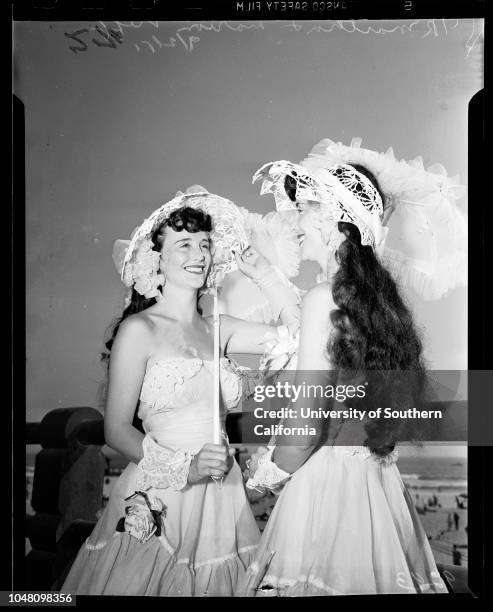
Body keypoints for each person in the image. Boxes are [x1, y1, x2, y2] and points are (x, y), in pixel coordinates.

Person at [61, 189, 300, 596]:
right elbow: (116, 430)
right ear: (157, 258)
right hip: (162, 493)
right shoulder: (140, 330)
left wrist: (264, 274)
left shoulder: (220, 328)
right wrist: (187, 469)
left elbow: (300, 333)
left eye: (205, 244)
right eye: (184, 243)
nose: (199, 254)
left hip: (223, 496)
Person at [239, 158, 449, 595]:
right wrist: (263, 273)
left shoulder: (324, 298)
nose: (292, 221)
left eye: (302, 210)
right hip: (373, 481)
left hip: (327, 483)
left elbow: (307, 422)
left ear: (334, 222)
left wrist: (267, 473)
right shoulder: (373, 303)